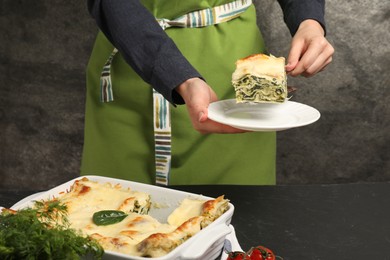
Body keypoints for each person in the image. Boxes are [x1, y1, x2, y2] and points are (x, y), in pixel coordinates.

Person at [81, 0, 334, 186]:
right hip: (131, 65)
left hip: (234, 89)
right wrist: (178, 77)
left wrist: (309, 21)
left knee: (240, 230)